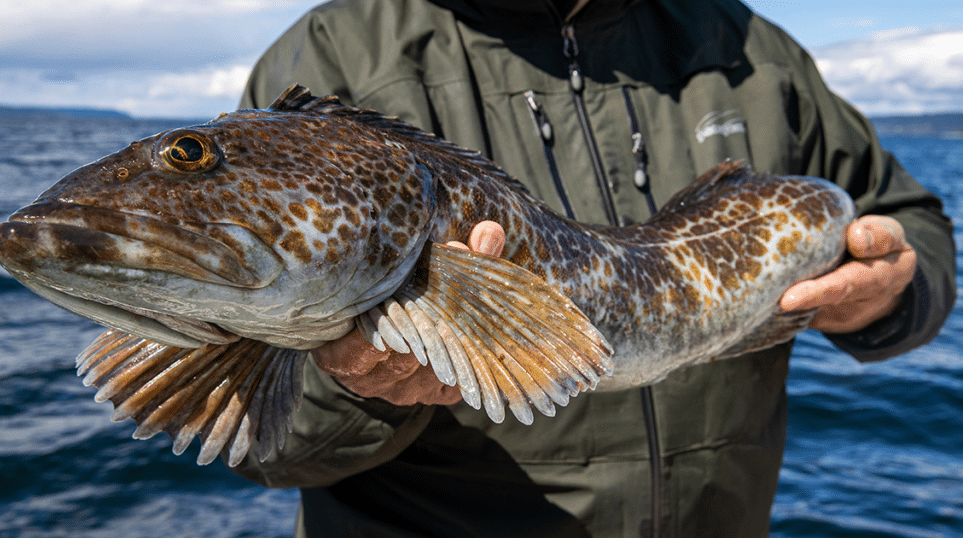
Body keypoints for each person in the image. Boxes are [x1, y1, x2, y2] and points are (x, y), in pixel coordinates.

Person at [232, 0, 956, 536]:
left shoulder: (750, 47)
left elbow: (909, 219)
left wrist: (892, 294)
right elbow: (259, 437)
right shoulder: (333, 59)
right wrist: (365, 389)